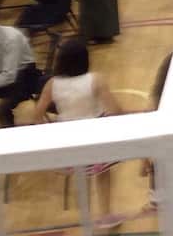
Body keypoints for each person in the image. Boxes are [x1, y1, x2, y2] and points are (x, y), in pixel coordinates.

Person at [34, 39, 123, 228]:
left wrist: (50, 133)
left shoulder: (52, 84)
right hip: (95, 134)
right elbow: (115, 110)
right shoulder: (95, 79)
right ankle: (105, 215)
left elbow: (37, 114)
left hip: (67, 137)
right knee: (103, 174)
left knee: (80, 178)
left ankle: (86, 219)